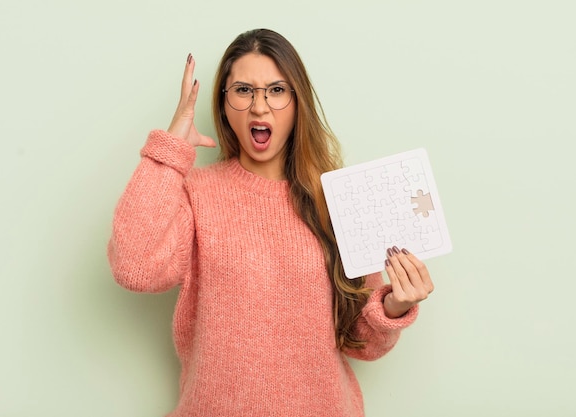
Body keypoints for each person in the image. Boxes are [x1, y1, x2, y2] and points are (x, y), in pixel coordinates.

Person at [107, 28, 434, 417]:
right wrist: (170, 149)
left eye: (276, 91)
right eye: (243, 90)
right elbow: (134, 267)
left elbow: (362, 341)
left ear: (297, 103)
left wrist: (395, 305)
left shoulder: (336, 199)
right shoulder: (198, 193)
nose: (260, 107)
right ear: (224, 104)